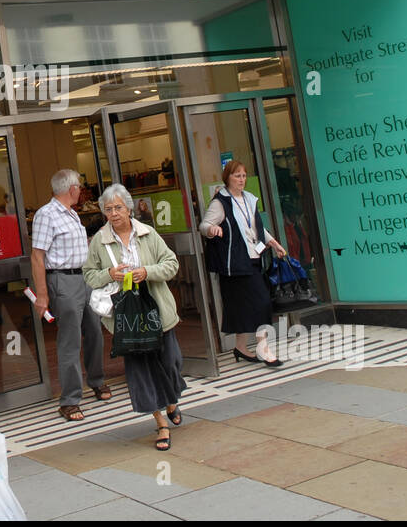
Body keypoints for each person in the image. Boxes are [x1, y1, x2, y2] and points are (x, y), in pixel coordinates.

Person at [85, 184, 186, 451]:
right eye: (108, 209)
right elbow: (89, 275)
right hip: (126, 316)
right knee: (141, 371)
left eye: (118, 208)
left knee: (171, 361)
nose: (114, 214)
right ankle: (160, 422)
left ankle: (172, 400)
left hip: (156, 309)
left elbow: (171, 263)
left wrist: (147, 271)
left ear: (129, 208)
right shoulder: (99, 241)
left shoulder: (148, 234)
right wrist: (110, 273)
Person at [31, 168, 109, 422]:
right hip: (63, 280)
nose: (81, 190)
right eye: (78, 186)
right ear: (70, 188)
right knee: (70, 339)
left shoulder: (72, 214)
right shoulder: (47, 214)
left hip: (84, 277)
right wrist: (42, 295)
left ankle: (97, 380)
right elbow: (37, 256)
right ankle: (70, 399)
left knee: (95, 331)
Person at [199, 160, 288, 366]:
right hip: (236, 263)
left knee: (243, 307)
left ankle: (240, 347)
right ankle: (263, 349)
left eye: (244, 175)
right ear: (227, 178)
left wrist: (274, 243)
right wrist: (213, 230)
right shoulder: (221, 202)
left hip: (254, 259)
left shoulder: (249, 199)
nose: (241, 180)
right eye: (237, 176)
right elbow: (204, 225)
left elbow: (257, 227)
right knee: (261, 302)